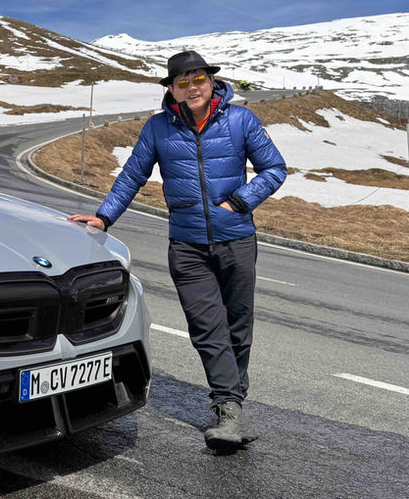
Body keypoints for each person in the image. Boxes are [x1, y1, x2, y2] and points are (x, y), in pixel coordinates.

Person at [68, 50, 286, 450]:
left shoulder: (240, 120)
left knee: (238, 325)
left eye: (198, 79)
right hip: (186, 245)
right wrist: (104, 217)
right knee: (207, 327)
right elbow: (133, 174)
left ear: (212, 81)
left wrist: (240, 201)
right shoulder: (157, 129)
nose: (192, 87)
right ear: (171, 88)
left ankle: (232, 400)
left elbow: (275, 168)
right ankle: (228, 406)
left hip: (237, 239)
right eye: (182, 82)